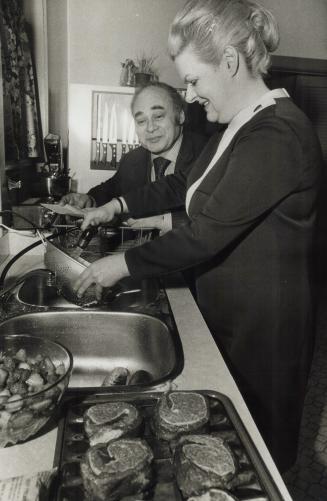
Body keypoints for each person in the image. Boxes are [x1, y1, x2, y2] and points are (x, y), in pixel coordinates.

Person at [73, 0, 323, 473]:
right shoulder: (240, 124)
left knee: (257, 455)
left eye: (192, 80)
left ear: (229, 62)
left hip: (261, 326)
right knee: (224, 447)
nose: (188, 95)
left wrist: (121, 265)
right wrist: (118, 204)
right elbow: (180, 184)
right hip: (229, 309)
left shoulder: (276, 135)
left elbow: (205, 234)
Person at [60, 81, 207, 234]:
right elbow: (113, 188)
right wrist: (89, 199)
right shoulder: (132, 159)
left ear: (180, 116)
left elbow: (215, 216)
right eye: (141, 121)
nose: (150, 128)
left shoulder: (207, 151)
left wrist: (166, 221)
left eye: (158, 116)